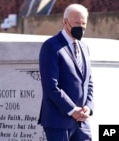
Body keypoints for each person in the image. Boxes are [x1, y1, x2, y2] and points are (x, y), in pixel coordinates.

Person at [38, 3, 94, 141]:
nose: (80, 27)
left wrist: (88, 107)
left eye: (83, 23)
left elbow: (88, 82)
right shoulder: (51, 46)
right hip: (58, 122)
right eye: (77, 23)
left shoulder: (84, 47)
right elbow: (51, 86)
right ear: (65, 22)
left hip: (82, 122)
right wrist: (72, 110)